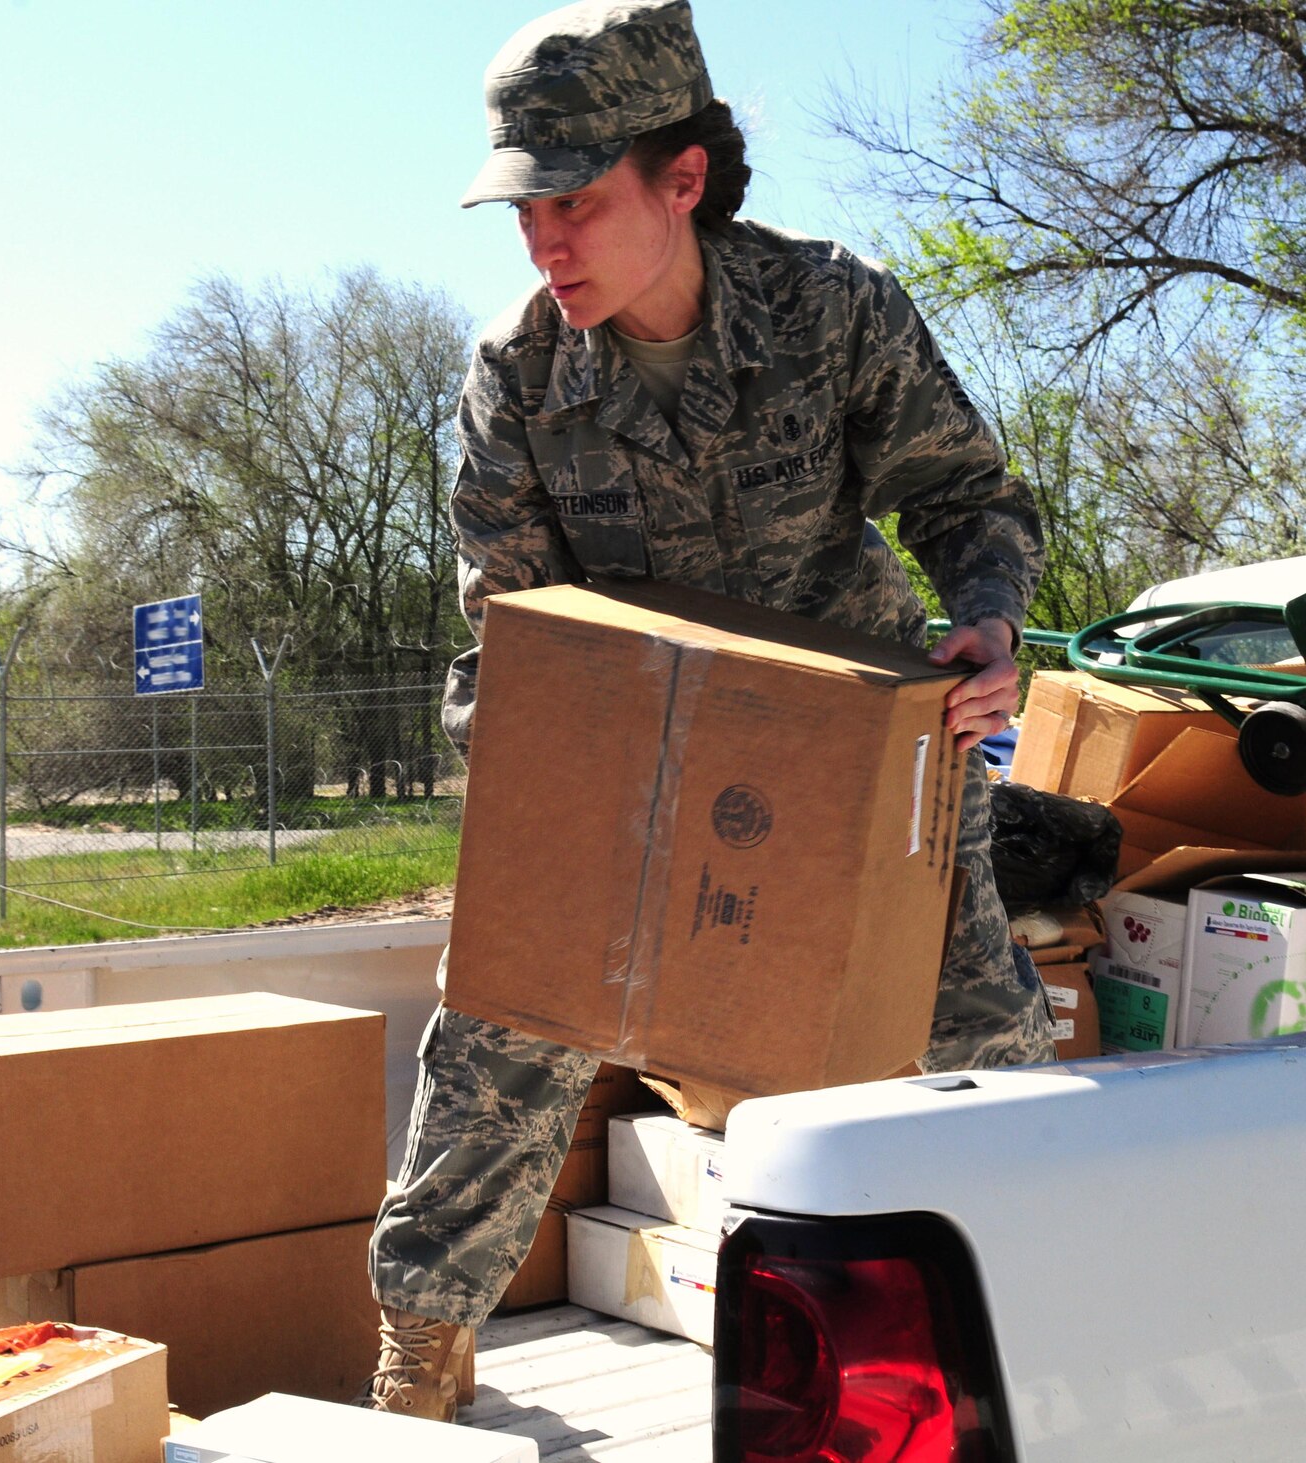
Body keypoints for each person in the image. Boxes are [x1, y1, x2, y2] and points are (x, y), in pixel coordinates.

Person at [364, 0, 1055, 1421]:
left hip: (858, 766)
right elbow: (507, 619)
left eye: (577, 201)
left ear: (682, 179)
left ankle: (1050, 1316)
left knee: (986, 1044)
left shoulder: (830, 310)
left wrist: (987, 622)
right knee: (498, 1026)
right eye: (523, 210)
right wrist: (533, 790)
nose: (545, 242)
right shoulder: (518, 374)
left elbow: (968, 497)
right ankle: (417, 1358)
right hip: (626, 765)